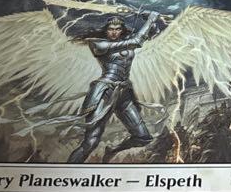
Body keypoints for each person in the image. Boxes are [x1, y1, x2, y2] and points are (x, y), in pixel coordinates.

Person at [67, 12, 165, 163]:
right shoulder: (98, 44)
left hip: (124, 94)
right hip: (105, 92)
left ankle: (112, 151)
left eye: (117, 29)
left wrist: (151, 21)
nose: (114, 32)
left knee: (143, 137)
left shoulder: (126, 42)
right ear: (106, 30)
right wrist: (151, 18)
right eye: (111, 29)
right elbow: (138, 40)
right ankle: (68, 169)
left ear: (122, 30)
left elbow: (151, 34)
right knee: (90, 142)